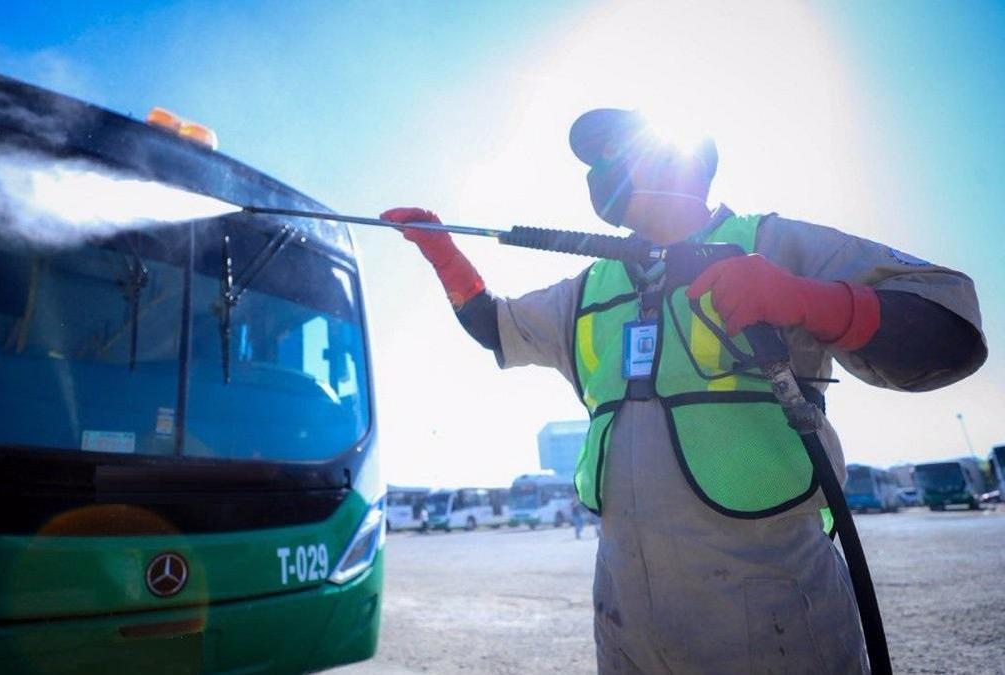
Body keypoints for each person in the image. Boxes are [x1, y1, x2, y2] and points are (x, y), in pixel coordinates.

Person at [382, 108, 987, 674]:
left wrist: (810, 300)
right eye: (594, 164)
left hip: (771, 615)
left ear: (686, 165)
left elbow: (950, 318)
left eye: (618, 154)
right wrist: (444, 256)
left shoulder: (771, 241)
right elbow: (497, 326)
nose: (600, 174)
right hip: (624, 617)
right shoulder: (589, 286)